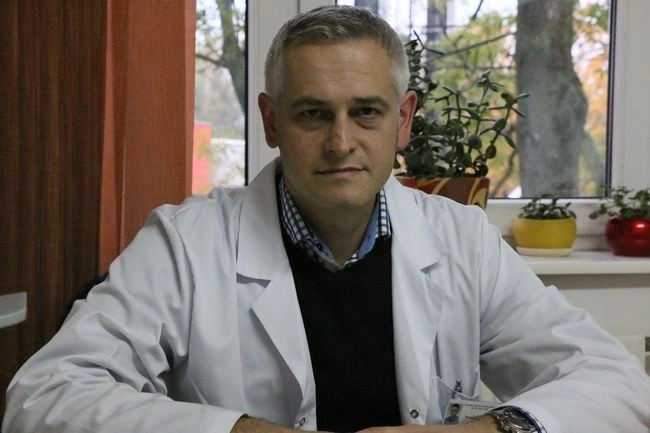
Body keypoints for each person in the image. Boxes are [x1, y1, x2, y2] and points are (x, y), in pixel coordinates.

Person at [3, 5, 650, 433]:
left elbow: (618, 384)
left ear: (403, 120)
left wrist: (484, 430)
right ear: (271, 121)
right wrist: (238, 430)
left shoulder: (462, 240)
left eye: (366, 112)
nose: (341, 142)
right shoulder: (185, 243)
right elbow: (44, 396)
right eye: (313, 114)